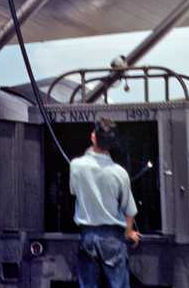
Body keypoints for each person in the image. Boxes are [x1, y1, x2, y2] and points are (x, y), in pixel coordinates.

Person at [70, 118, 140, 288]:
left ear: (93, 137)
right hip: (112, 239)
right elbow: (129, 209)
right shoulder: (119, 173)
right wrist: (129, 232)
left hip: (87, 237)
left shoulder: (76, 166)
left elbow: (73, 191)